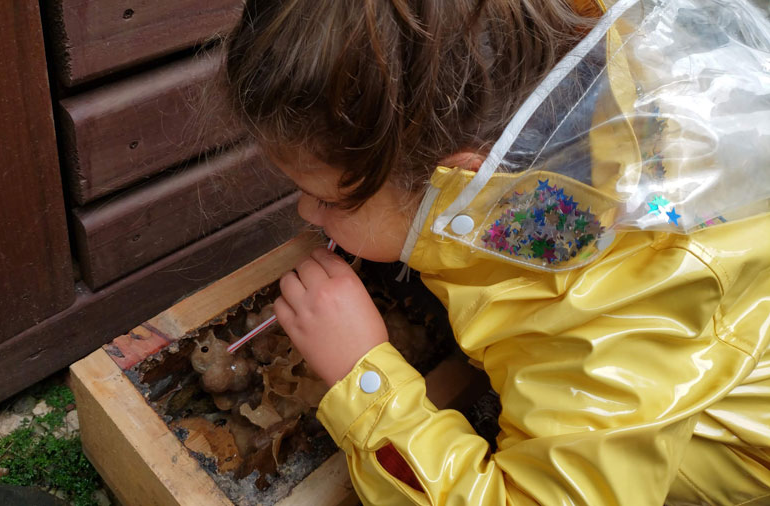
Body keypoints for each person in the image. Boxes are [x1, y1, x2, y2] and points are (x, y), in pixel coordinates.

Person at [222, 0, 770, 504]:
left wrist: (362, 380)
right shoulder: (571, 97)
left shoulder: (613, 323)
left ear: (459, 185)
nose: (304, 213)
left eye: (327, 198)